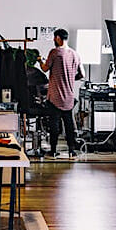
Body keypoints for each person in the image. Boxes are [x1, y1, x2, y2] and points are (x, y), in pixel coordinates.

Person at [38, 28, 83, 158]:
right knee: (69, 125)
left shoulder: (55, 53)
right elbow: (82, 74)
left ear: (58, 38)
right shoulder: (75, 54)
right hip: (69, 96)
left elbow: (45, 68)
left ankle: (53, 151)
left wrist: (40, 60)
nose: (53, 40)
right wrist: (70, 78)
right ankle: (72, 151)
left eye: (54, 38)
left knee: (54, 125)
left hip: (55, 96)